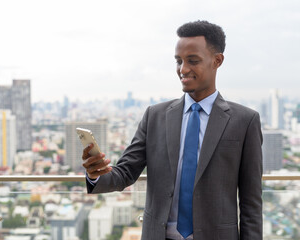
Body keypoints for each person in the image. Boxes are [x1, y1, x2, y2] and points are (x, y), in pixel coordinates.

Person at [82, 20, 263, 240]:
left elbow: (251, 203)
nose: (183, 69)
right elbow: (125, 173)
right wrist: (95, 175)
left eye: (192, 61)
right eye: (179, 61)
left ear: (217, 61)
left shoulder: (244, 121)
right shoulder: (155, 116)